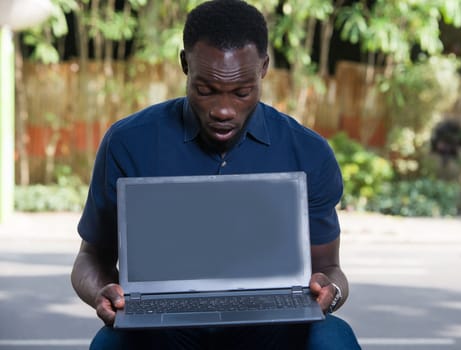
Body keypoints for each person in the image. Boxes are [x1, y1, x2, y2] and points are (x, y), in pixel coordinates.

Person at [71, 1, 361, 349]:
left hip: (274, 328)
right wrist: (101, 293)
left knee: (335, 338)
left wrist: (331, 291)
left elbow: (330, 268)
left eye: (242, 92)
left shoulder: (308, 152)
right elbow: (90, 258)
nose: (223, 110)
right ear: (184, 65)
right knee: (109, 345)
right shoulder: (128, 143)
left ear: (263, 68)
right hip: (163, 330)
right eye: (206, 90)